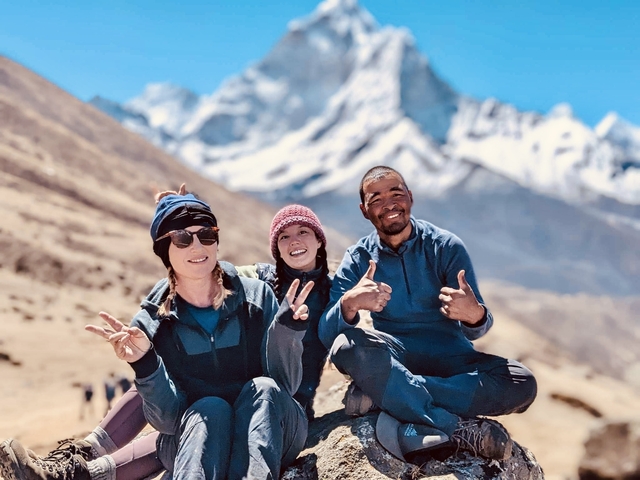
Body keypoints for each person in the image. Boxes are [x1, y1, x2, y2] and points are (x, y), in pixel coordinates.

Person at [0, 197, 333, 480]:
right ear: (164, 251)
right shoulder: (154, 321)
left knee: (261, 389)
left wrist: (287, 331)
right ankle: (74, 467)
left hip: (274, 429)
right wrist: (146, 365)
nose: (198, 246)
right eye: (182, 239)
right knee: (208, 410)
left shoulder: (257, 297)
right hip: (201, 434)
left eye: (206, 234)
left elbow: (282, 387)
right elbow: (168, 420)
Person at [318, 165, 537, 462]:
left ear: (410, 196)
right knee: (347, 347)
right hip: (394, 353)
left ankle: (388, 392)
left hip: (454, 359)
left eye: (396, 194)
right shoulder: (358, 258)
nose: (389, 205)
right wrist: (349, 304)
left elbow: (477, 330)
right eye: (376, 200)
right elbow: (328, 334)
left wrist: (474, 314)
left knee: (522, 382)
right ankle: (457, 428)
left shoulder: (445, 246)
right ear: (364, 210)